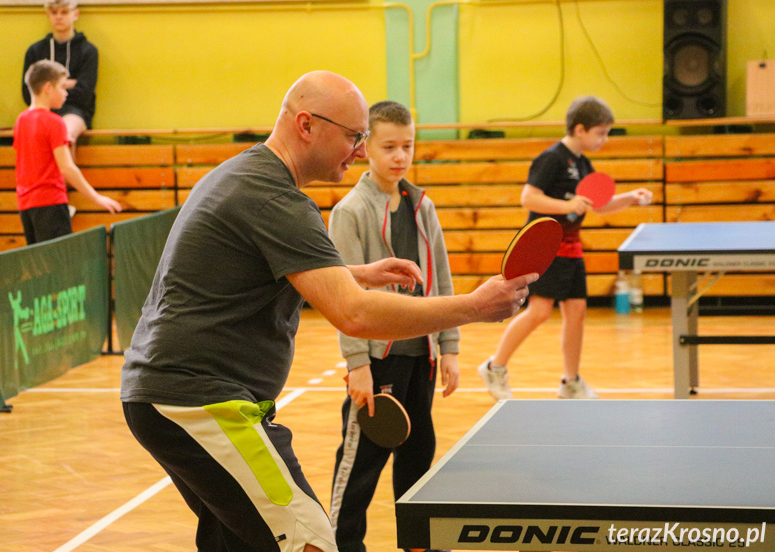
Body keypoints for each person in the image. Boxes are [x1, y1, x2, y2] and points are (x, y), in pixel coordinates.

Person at [120, 70, 537, 552]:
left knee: (236, 542)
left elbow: (260, 274)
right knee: (309, 541)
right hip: (199, 401)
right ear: (306, 124)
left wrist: (354, 273)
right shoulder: (274, 197)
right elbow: (355, 315)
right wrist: (473, 306)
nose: (359, 150)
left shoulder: (244, 175)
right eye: (353, 136)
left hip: (167, 395)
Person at [327, 101, 458, 552]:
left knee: (419, 458)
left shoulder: (423, 205)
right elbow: (342, 294)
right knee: (359, 465)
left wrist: (449, 346)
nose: (400, 156)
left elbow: (440, 278)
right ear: (365, 149)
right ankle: (339, 546)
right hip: (376, 364)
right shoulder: (350, 211)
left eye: (408, 145)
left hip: (419, 356)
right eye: (389, 146)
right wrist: (356, 362)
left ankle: (418, 544)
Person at [477, 96, 653, 401]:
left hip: (571, 248)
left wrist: (631, 197)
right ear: (580, 129)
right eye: (601, 133)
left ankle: (570, 381)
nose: (605, 139)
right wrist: (566, 204)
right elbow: (529, 198)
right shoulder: (552, 158)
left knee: (577, 312)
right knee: (540, 312)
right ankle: (495, 367)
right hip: (545, 247)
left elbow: (598, 205)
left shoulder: (583, 163)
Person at [14, 60, 120, 245]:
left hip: (26, 206)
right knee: (59, 268)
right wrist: (97, 198)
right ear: (48, 87)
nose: (66, 93)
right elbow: (67, 168)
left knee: (40, 266)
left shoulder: (21, 120)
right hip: (51, 204)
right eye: (62, 87)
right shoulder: (54, 122)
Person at [22, 0, 98, 156]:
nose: (59, 17)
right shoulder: (35, 51)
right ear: (48, 15)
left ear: (75, 14)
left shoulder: (88, 51)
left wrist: (49, 87)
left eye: (64, 12)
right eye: (54, 12)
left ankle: (61, 183)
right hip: (41, 110)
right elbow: (28, 94)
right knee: (33, 136)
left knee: (64, 135)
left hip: (75, 111)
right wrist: (68, 83)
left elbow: (84, 94)